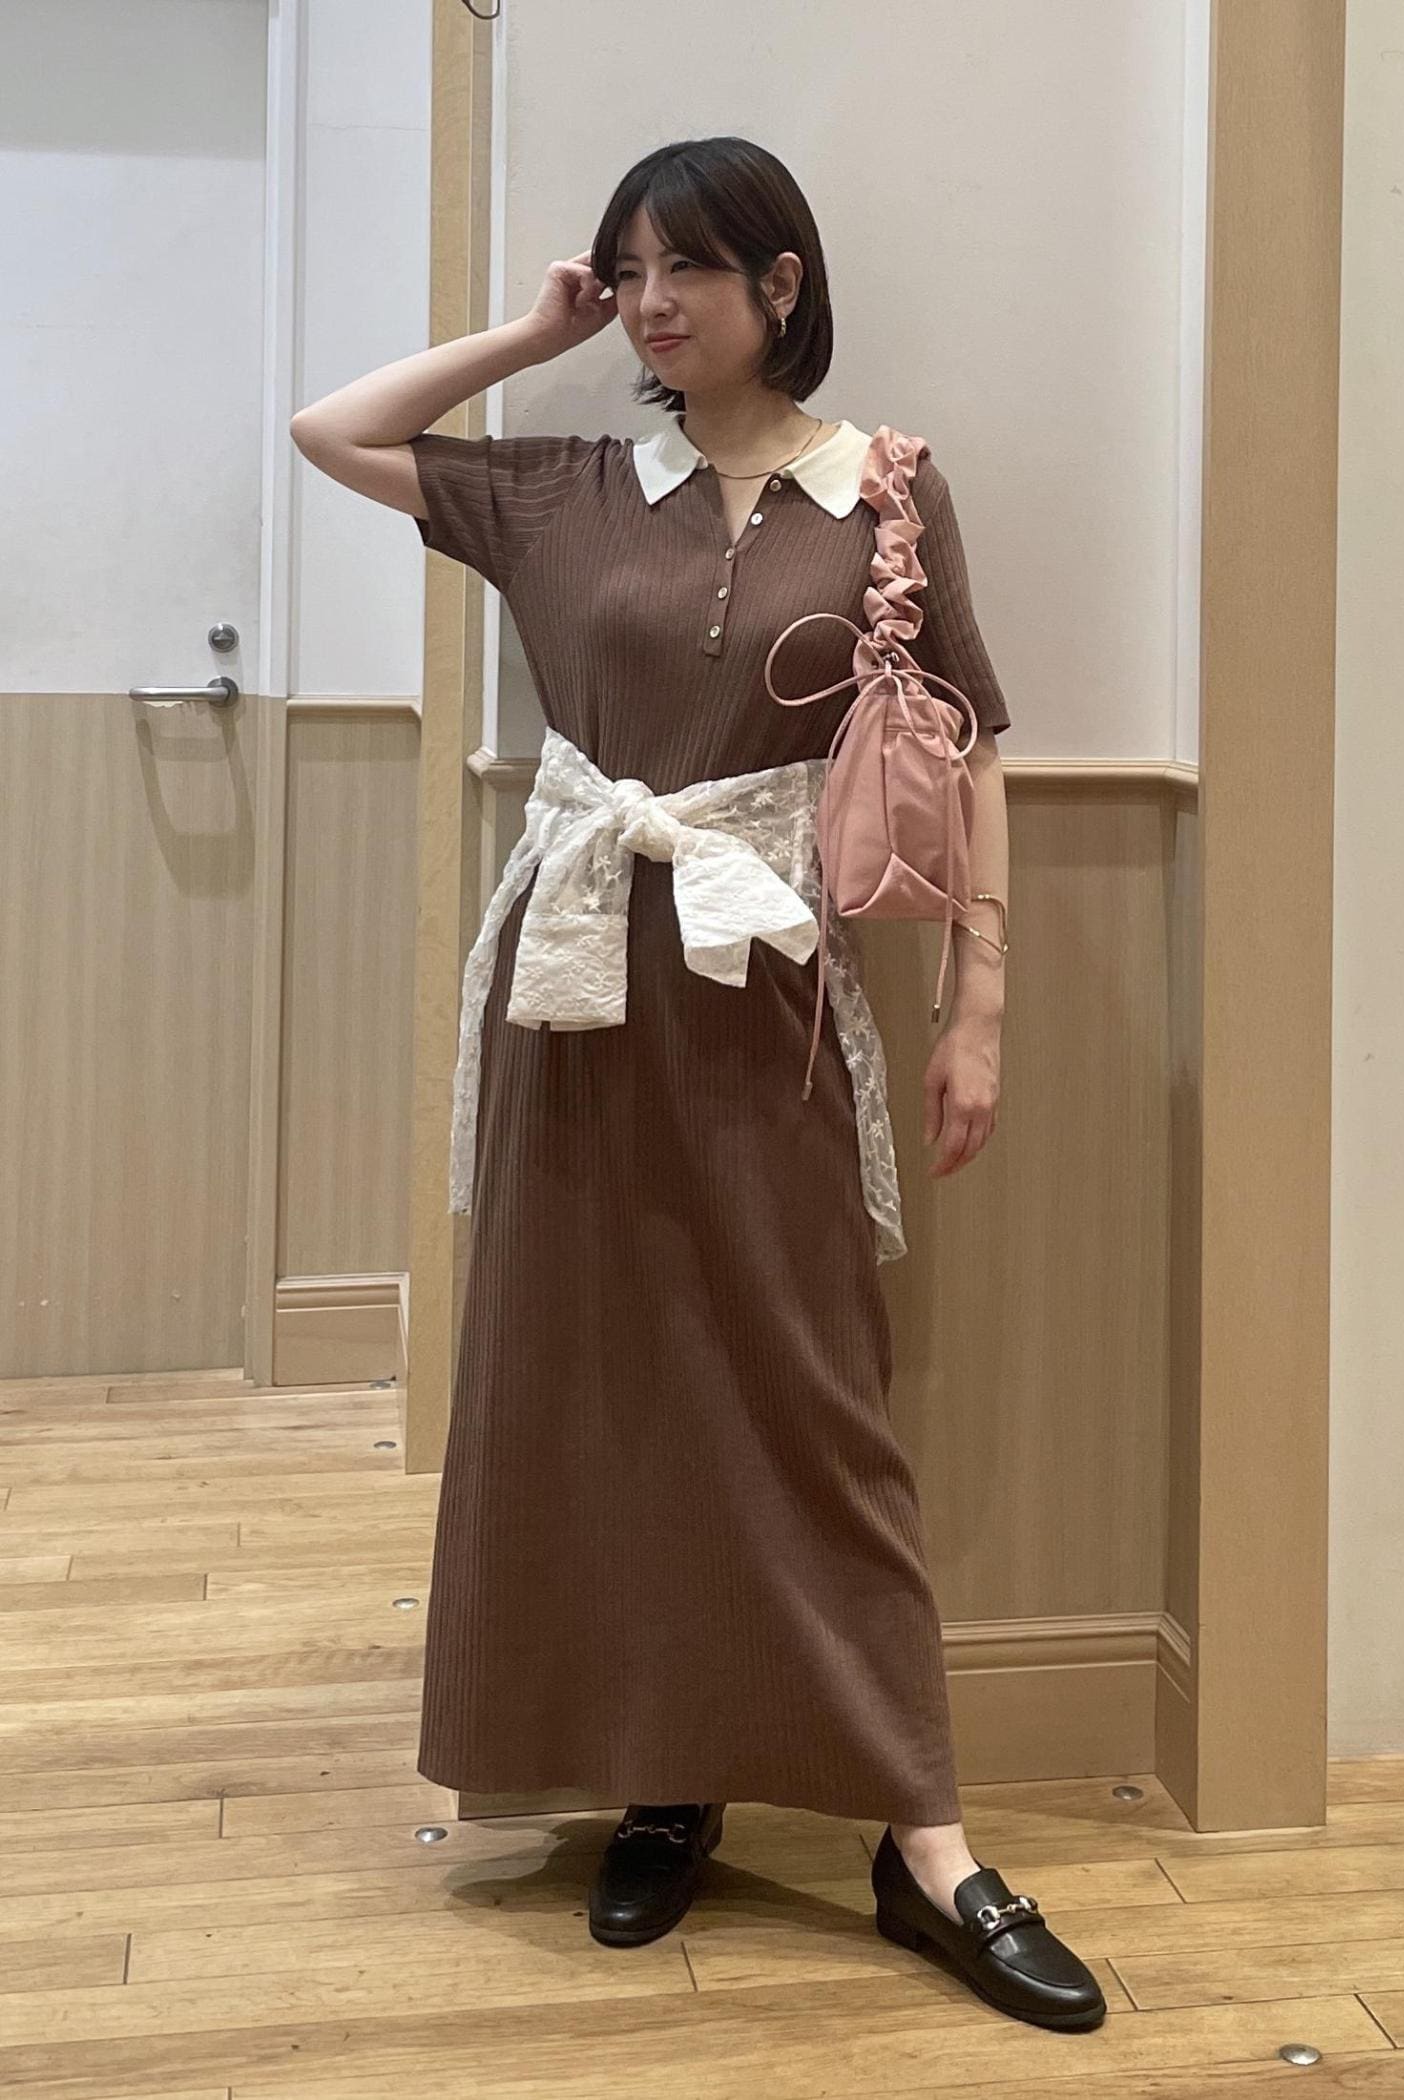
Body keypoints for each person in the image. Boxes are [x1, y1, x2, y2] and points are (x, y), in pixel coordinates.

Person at [291, 133, 1104, 2034]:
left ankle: (926, 1840)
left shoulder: (882, 491)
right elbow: (333, 431)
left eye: (690, 270)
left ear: (781, 284)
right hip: (577, 996)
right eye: (630, 272)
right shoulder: (567, 483)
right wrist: (531, 335)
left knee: (814, 1399)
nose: (653, 304)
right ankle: (666, 1778)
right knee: (602, 1389)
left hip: (769, 989)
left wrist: (980, 1004)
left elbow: (969, 740)